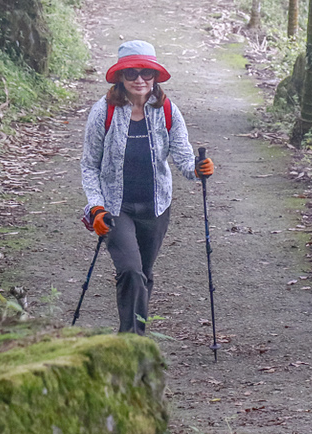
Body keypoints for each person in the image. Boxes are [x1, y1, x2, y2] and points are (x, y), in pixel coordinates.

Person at [80, 40, 214, 335]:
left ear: (154, 76)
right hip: (115, 208)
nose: (139, 79)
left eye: (146, 73)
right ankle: (132, 341)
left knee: (143, 273)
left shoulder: (167, 111)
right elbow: (89, 166)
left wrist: (198, 168)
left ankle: (133, 330)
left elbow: (182, 158)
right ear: (120, 77)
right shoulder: (104, 113)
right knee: (129, 269)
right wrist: (96, 208)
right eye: (131, 73)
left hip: (156, 206)